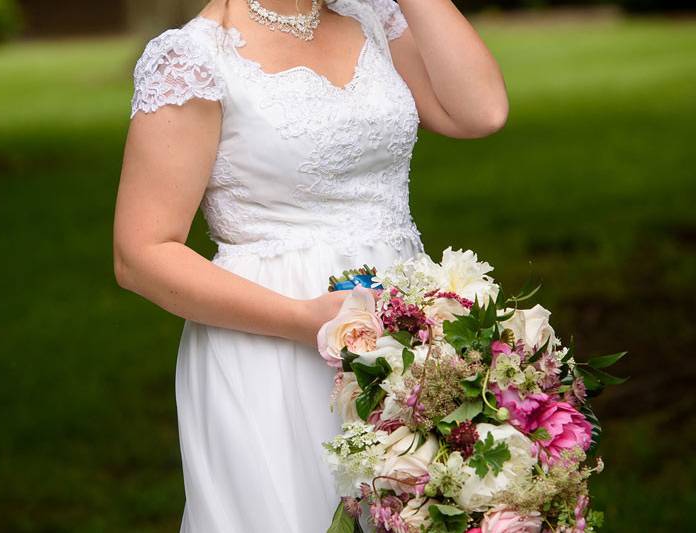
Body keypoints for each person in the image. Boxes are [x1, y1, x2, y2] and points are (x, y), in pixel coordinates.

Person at [112, 0, 507, 530]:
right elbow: (141, 254)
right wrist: (307, 319)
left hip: (405, 330)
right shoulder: (195, 57)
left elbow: (480, 111)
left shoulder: (374, 18)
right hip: (270, 337)